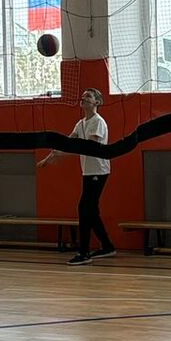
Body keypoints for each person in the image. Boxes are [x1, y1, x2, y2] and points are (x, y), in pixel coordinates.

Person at [40, 87, 115, 266]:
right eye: (83, 96)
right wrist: (50, 157)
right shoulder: (80, 123)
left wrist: (62, 154)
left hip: (98, 171)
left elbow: (88, 147)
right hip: (88, 172)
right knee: (91, 211)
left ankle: (84, 252)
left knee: (84, 209)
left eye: (88, 96)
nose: (84, 98)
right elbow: (67, 143)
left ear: (97, 102)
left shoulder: (98, 122)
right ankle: (107, 246)